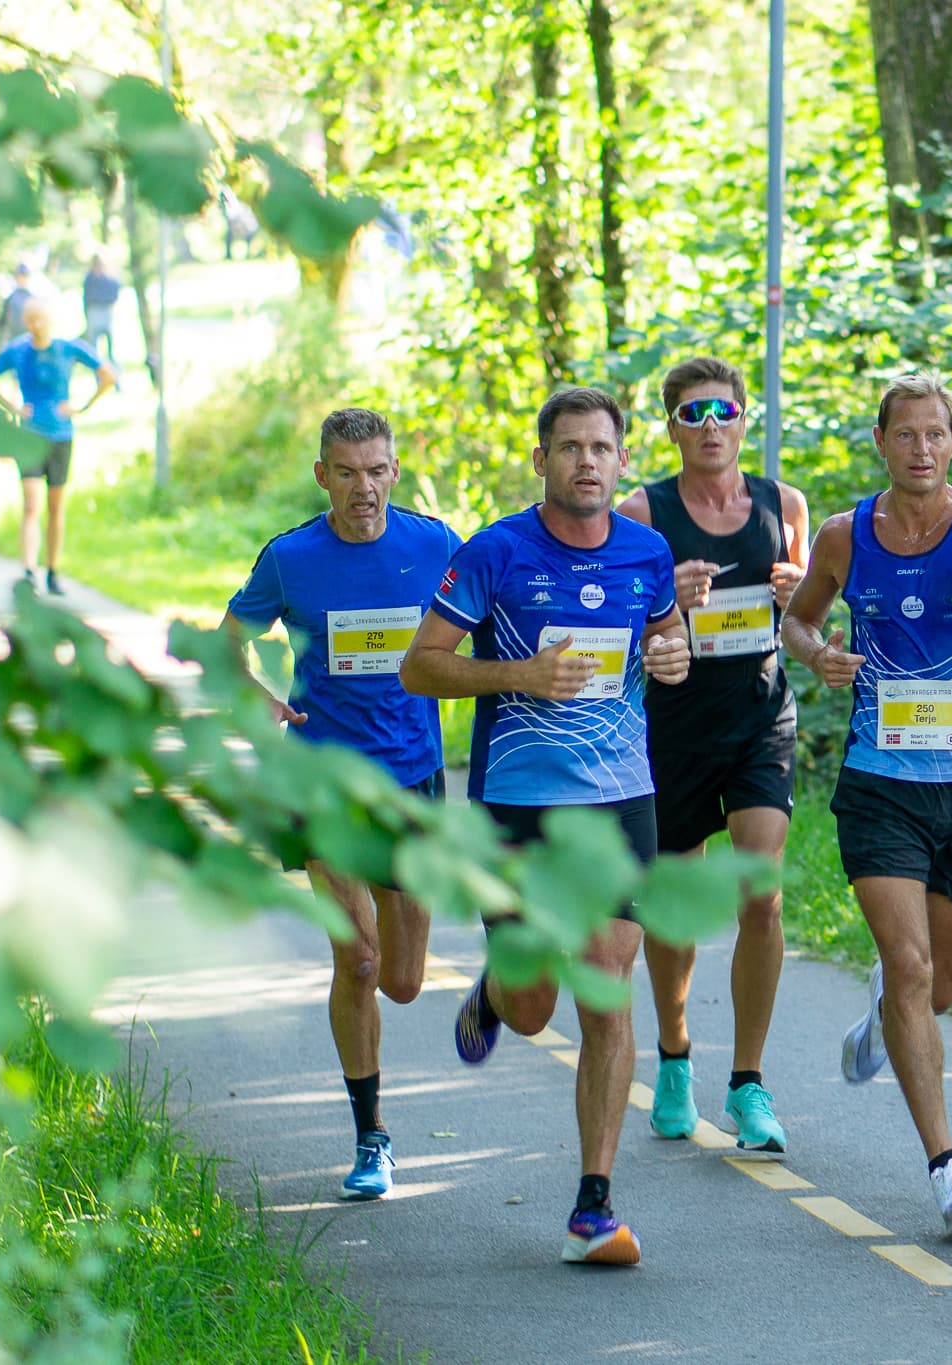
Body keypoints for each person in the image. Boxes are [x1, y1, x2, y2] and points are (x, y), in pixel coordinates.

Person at [399, 386, 692, 1266]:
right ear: (542, 460)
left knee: (606, 979)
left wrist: (674, 654)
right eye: (569, 448)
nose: (587, 463)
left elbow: (667, 641)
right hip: (518, 803)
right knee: (533, 1010)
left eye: (602, 448)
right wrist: (518, 673)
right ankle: (497, 988)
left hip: (618, 800)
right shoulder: (496, 551)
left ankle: (594, 1204)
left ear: (620, 458)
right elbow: (421, 667)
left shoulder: (647, 551)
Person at [779, 371, 952, 1236]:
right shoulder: (842, 536)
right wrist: (818, 653)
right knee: (909, 968)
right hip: (879, 784)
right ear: (882, 443)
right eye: (905, 435)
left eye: (935, 433)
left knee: (936, 988)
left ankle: (884, 1012)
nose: (921, 449)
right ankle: (947, 1168)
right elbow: (797, 622)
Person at [218, 408, 461, 1201]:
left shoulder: (433, 545)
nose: (364, 486)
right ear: (323, 474)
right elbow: (229, 641)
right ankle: (372, 1136)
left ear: (395, 470)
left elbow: (493, 622)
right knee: (356, 960)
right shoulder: (290, 560)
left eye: (377, 469)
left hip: (412, 777)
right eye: (347, 471)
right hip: (320, 782)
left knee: (402, 978)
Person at [616, 357, 810, 1156]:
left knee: (759, 896)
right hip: (670, 728)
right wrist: (668, 607)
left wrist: (801, 597)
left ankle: (749, 1083)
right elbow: (616, 631)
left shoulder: (782, 503)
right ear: (671, 427)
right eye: (691, 414)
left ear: (742, 419)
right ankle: (673, 1056)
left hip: (759, 716)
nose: (709, 427)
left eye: (721, 412)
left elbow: (810, 616)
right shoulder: (644, 510)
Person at [0, 295, 115, 594]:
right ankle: (29, 570)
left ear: (51, 319)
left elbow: (108, 374)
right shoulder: (18, 350)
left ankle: (53, 572)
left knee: (56, 507)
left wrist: (83, 407)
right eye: (30, 320)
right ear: (25, 321)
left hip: (61, 435)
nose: (36, 325)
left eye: (41, 319)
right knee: (31, 504)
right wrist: (13, 408)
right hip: (28, 436)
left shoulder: (68, 348)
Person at [80, 254, 121, 371]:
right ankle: (102, 378)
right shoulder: (92, 278)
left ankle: (113, 378)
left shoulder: (104, 278)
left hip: (102, 312)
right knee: (95, 352)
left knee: (109, 351)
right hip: (98, 312)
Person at [0, 262, 33, 345]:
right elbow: (3, 321)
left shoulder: (33, 300)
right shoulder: (10, 298)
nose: (21, 279)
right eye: (20, 276)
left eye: (24, 276)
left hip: (28, 342)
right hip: (12, 340)